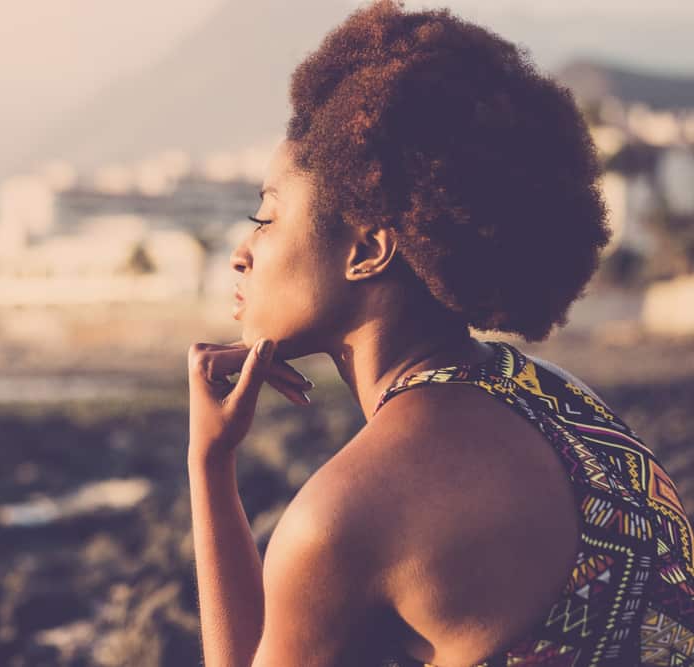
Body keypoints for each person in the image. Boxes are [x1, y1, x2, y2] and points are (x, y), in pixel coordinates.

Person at [185, 1, 694, 665]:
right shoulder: (563, 401)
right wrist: (215, 458)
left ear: (368, 250)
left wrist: (204, 465)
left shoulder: (345, 515)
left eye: (266, 216)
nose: (241, 252)